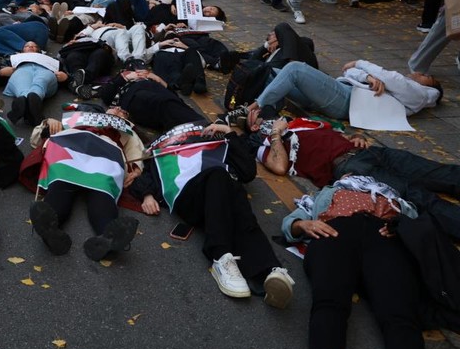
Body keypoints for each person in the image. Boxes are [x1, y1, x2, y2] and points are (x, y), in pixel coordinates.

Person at [130, 121, 295, 307]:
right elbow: (143, 177)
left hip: (222, 194)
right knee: (219, 175)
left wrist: (229, 133)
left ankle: (268, 269)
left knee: (235, 193)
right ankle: (221, 255)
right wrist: (147, 195)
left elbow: (248, 171)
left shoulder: (217, 146)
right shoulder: (161, 153)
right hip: (189, 198)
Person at [283, 177, 428, 349]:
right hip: (334, 233)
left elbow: (416, 226)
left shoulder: (395, 199)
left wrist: (400, 226)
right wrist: (305, 225)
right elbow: (290, 224)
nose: (358, 176)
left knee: (400, 314)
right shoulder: (324, 194)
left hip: (384, 240)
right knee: (329, 301)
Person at [253, 113, 460, 240]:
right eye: (253, 116)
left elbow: (338, 132)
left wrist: (357, 137)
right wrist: (275, 134)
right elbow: (279, 166)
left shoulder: (301, 123)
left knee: (439, 172)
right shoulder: (267, 145)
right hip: (351, 167)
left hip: (371, 152)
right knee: (419, 197)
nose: (257, 113)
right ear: (254, 128)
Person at [26, 108, 142, 260]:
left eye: (124, 112)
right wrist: (47, 124)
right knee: (61, 181)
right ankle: (50, 231)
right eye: (116, 107)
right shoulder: (80, 117)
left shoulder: (126, 129)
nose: (119, 111)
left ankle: (108, 238)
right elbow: (35, 140)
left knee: (103, 189)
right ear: (106, 109)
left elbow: (136, 152)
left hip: (105, 152)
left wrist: (136, 169)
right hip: (70, 144)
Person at [248, 59, 441, 120]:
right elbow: (349, 72)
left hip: (348, 100)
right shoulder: (403, 90)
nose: (419, 73)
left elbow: (393, 78)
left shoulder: (421, 94)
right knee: (273, 73)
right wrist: (367, 76)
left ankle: (255, 107)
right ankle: (262, 114)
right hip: (342, 90)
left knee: (295, 68)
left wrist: (360, 63)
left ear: (429, 85)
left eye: (426, 76)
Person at [0, 41, 67, 126]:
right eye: (27, 46)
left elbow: (65, 74)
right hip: (21, 69)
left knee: (42, 79)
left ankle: (27, 102)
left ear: (39, 50)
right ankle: (31, 107)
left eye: (34, 46)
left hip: (45, 70)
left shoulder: (51, 59)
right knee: (22, 80)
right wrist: (1, 72)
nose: (30, 47)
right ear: (22, 51)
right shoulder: (12, 58)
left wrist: (65, 77)